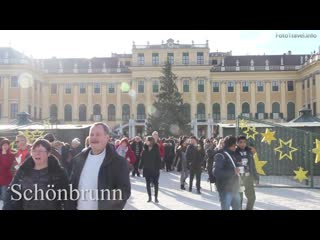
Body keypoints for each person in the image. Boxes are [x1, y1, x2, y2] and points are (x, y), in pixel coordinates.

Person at [65, 122, 131, 210]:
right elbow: (71, 188)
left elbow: (124, 192)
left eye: (98, 134)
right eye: (91, 134)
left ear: (107, 137)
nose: (94, 137)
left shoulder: (119, 163)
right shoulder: (78, 160)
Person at [3, 139, 69, 210]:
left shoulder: (59, 172)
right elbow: (11, 190)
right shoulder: (23, 170)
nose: (37, 153)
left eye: (40, 151)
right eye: (34, 151)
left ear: (49, 153)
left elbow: (67, 197)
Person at [213, 136, 241, 210]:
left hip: (234, 187)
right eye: (235, 145)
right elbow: (216, 172)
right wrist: (233, 171)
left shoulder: (232, 154)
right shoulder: (220, 155)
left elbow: (232, 166)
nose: (236, 147)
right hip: (225, 188)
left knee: (237, 207)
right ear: (230, 145)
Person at [235, 136, 259, 210]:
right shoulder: (234, 152)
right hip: (239, 178)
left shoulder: (249, 151)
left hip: (248, 178)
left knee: (252, 197)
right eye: (240, 142)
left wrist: (256, 177)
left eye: (244, 142)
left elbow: (252, 165)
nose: (242, 144)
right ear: (237, 143)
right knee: (239, 198)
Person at [139, 136, 161, 203]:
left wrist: (158, 168)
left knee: (156, 184)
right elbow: (142, 160)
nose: (145, 141)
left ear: (150, 141)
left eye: (146, 140)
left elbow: (159, 160)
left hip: (155, 170)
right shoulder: (144, 150)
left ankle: (156, 198)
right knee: (147, 184)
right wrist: (140, 168)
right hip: (147, 169)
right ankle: (149, 197)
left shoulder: (156, 149)